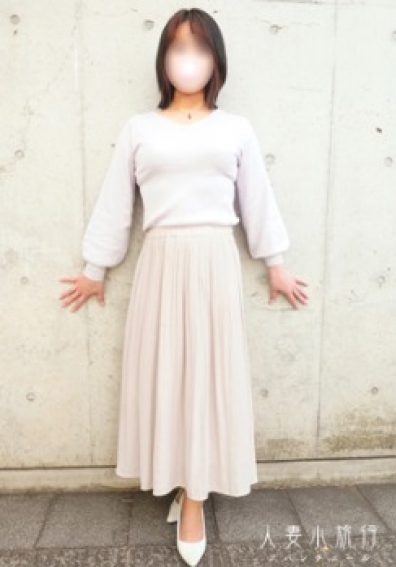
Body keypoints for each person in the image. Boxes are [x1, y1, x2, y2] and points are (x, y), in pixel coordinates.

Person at [58, 8, 308, 566]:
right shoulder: (139, 129)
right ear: (163, 58)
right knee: (169, 376)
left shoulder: (235, 128)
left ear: (216, 59)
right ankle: (179, 478)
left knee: (208, 377)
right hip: (162, 263)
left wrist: (276, 262)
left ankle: (195, 499)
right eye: (177, 47)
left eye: (199, 47)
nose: (188, 58)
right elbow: (117, 201)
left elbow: (257, 198)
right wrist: (95, 268)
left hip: (215, 261)